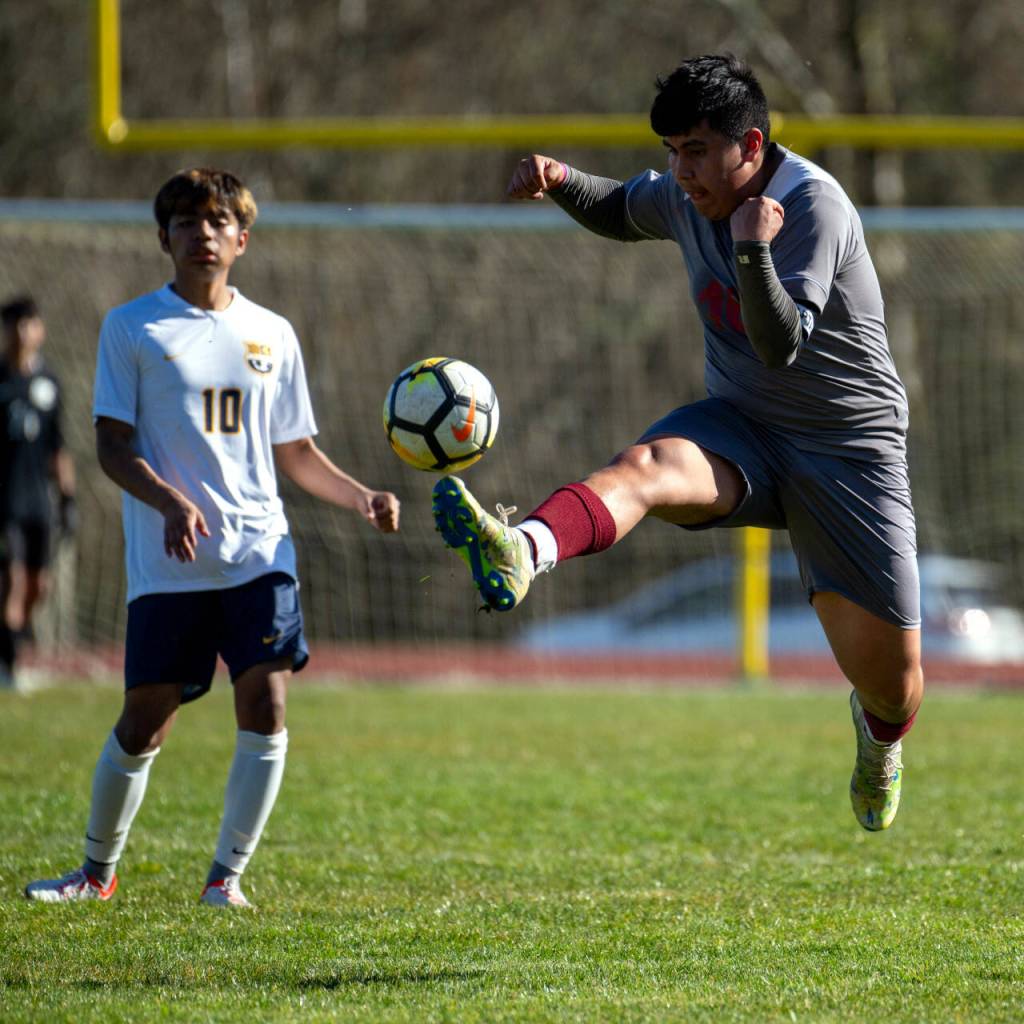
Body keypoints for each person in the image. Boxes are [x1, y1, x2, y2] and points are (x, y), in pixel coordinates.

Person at [432, 55, 922, 833]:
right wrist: (562, 180)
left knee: (896, 689)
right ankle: (522, 549)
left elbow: (780, 345)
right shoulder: (686, 193)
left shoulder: (811, 208)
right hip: (742, 429)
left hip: (849, 454)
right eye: (670, 151)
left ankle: (877, 740)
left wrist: (753, 248)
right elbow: (622, 208)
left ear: (750, 146)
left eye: (695, 151)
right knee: (646, 468)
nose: (679, 170)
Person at [25, 168, 400, 907]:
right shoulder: (132, 327)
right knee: (145, 723)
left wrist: (363, 497)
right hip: (170, 566)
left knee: (267, 703)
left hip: (261, 553)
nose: (203, 233)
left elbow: (294, 451)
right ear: (162, 237)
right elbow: (109, 444)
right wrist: (166, 501)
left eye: (218, 222)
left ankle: (226, 879)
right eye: (187, 222)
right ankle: (96, 875)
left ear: (242, 239)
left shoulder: (272, 332)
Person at [1, 296, 76, 688]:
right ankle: (10, 667)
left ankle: (9, 642)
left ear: (40, 329)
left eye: (28, 322)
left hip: (38, 502)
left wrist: (68, 498)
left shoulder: (49, 383)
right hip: (4, 502)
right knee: (11, 581)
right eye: (13, 324)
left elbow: (58, 447)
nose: (21, 332)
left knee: (37, 587)